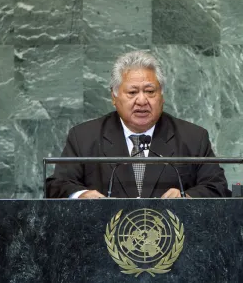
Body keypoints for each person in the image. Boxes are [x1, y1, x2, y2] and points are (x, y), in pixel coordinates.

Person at [46, 50, 229, 198]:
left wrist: (186, 197)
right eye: (132, 92)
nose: (142, 101)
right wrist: (81, 195)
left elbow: (217, 187)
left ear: (162, 96)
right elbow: (56, 186)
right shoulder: (84, 137)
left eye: (150, 91)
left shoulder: (193, 138)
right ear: (114, 97)